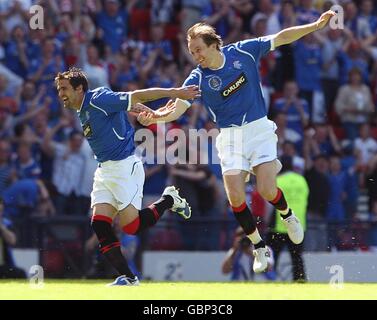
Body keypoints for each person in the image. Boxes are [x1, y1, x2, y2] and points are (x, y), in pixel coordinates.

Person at [138, 11, 335, 273]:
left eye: (198, 49)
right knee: (235, 197)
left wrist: (315, 25)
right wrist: (156, 116)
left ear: (213, 44)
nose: (195, 56)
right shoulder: (197, 78)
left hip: (258, 129)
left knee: (266, 189)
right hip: (229, 137)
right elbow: (177, 108)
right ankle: (258, 246)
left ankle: (288, 216)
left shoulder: (244, 51)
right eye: (191, 51)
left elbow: (282, 37)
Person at [54, 67, 200, 286]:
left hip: (125, 167)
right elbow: (127, 106)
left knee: (131, 227)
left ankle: (169, 199)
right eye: (59, 89)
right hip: (104, 170)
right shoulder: (81, 108)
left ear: (80, 88)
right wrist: (144, 111)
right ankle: (129, 278)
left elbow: (137, 96)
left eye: (64, 88)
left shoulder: (98, 98)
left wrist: (176, 92)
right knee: (100, 224)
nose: (61, 93)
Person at [266, 156, 308, 282]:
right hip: (298, 225)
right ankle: (300, 281)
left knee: (272, 256)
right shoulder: (302, 180)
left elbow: (270, 205)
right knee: (297, 257)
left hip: (279, 225)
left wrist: (266, 221)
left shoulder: (278, 180)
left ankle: (269, 280)